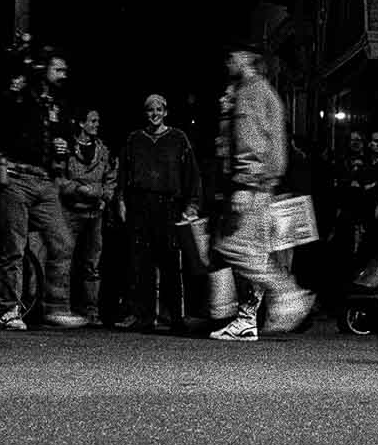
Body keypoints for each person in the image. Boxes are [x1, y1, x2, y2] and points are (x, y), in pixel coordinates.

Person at [206, 45, 312, 342]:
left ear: (246, 59)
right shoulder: (261, 91)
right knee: (243, 249)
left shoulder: (251, 91)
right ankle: (242, 319)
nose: (228, 62)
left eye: (232, 56)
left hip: (252, 186)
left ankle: (288, 294)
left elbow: (250, 143)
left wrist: (245, 184)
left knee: (234, 249)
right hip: (261, 185)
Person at [0, 45, 84, 330]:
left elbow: (62, 135)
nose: (63, 75)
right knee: (14, 247)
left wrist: (62, 145)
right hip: (16, 177)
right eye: (58, 69)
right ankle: (8, 309)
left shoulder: (56, 103)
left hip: (44, 180)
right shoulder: (21, 95)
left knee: (63, 241)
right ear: (43, 70)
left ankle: (55, 308)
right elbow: (2, 113)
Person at [115, 94, 202, 332]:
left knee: (171, 262)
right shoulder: (135, 139)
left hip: (169, 206)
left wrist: (191, 206)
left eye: (158, 110)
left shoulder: (178, 138)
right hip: (140, 205)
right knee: (141, 263)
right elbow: (123, 173)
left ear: (165, 112)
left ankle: (175, 317)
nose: (154, 114)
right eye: (150, 110)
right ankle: (144, 316)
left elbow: (191, 175)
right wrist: (121, 201)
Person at [60, 108, 118, 322]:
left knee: (91, 263)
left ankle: (90, 311)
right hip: (71, 211)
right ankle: (62, 308)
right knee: (65, 259)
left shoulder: (102, 150)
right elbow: (59, 179)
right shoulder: (67, 149)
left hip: (95, 213)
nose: (96, 124)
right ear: (81, 123)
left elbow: (111, 177)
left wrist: (104, 196)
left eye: (98, 121)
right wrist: (77, 189)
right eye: (92, 121)